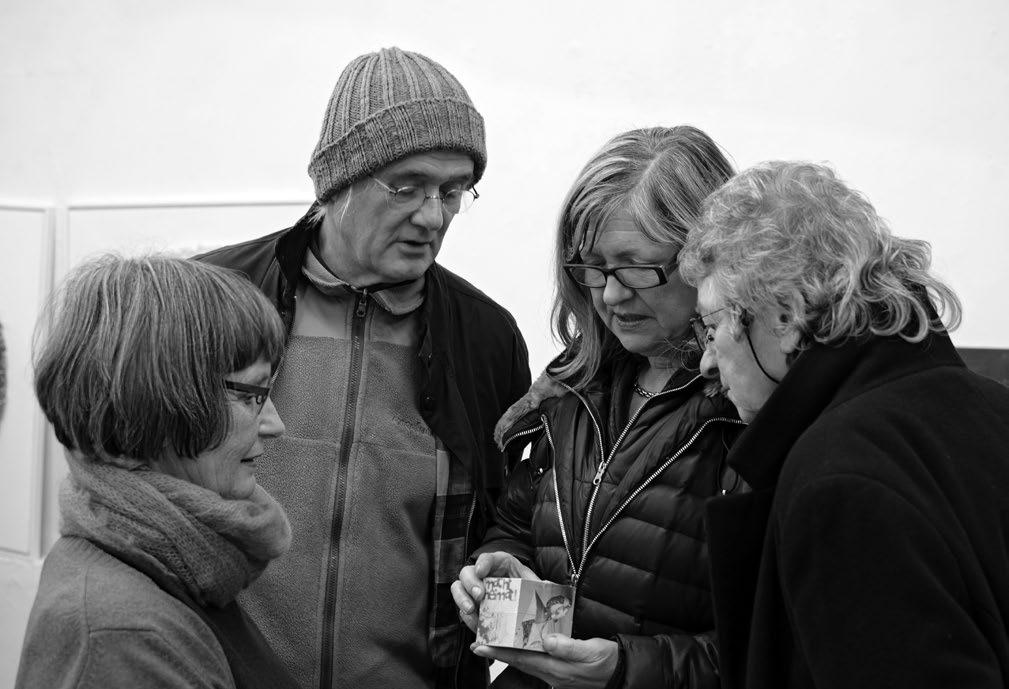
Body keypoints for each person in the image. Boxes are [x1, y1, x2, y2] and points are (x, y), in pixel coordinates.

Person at [197, 46, 531, 689]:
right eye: (407, 187)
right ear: (337, 182)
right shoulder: (215, 297)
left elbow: (506, 519)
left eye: (453, 192)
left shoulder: (486, 338)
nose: (432, 216)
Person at [679, 160, 1009, 689]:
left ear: (784, 317)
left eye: (711, 327)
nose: (706, 362)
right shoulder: (991, 407)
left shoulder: (836, 482)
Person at [452, 126, 745, 689]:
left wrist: (624, 671)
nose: (610, 295)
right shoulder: (572, 388)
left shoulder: (746, 411)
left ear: (708, 259)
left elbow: (772, 643)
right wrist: (502, 571)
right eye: (593, 268)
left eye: (636, 268)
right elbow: (519, 524)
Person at [15, 255, 297, 689]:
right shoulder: (123, 637)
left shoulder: (175, 561)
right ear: (154, 405)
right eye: (250, 395)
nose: (275, 425)